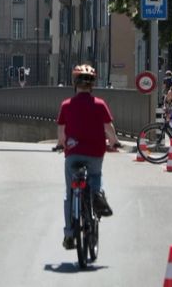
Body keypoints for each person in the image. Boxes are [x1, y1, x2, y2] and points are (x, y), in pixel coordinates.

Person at [56, 64, 121, 250]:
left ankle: (69, 234)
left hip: (73, 154)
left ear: (74, 83)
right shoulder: (100, 105)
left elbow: (61, 132)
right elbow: (109, 129)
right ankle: (97, 195)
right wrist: (114, 143)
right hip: (95, 152)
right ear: (92, 85)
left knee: (70, 193)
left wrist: (61, 145)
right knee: (95, 177)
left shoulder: (66, 105)